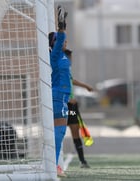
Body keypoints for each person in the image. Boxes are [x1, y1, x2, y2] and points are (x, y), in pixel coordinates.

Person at [48, 5, 70, 177]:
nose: (64, 42)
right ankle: (53, 165)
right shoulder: (54, 55)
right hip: (57, 97)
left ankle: (53, 164)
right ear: (53, 44)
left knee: (59, 133)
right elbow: (60, 39)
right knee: (59, 132)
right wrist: (61, 28)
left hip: (62, 97)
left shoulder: (63, 56)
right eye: (59, 40)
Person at [64, 49, 93, 168]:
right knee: (59, 131)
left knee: (75, 130)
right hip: (63, 104)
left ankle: (82, 160)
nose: (70, 61)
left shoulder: (67, 70)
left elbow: (71, 81)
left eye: (71, 59)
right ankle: (54, 161)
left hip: (72, 106)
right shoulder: (58, 68)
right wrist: (67, 99)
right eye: (69, 58)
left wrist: (85, 86)